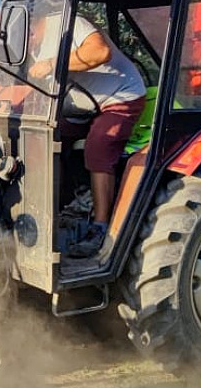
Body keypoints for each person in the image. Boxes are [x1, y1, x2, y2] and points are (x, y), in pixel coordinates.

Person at [28, 15, 146, 258]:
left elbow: (101, 52)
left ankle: (100, 228)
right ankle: (54, 211)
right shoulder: (29, 49)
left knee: (99, 144)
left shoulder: (66, 23)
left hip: (120, 96)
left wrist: (53, 63)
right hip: (83, 106)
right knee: (43, 137)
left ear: (29, 22)